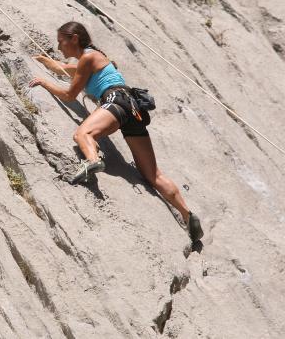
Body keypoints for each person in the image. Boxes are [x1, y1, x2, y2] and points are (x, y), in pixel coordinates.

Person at [28, 21, 203, 242]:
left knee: (83, 134)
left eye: (61, 42)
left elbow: (69, 95)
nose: (59, 47)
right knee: (153, 175)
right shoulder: (92, 59)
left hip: (115, 101)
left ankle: (92, 160)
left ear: (74, 39)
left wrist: (44, 83)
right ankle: (187, 214)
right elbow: (63, 69)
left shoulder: (88, 58)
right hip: (133, 109)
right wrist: (43, 61)